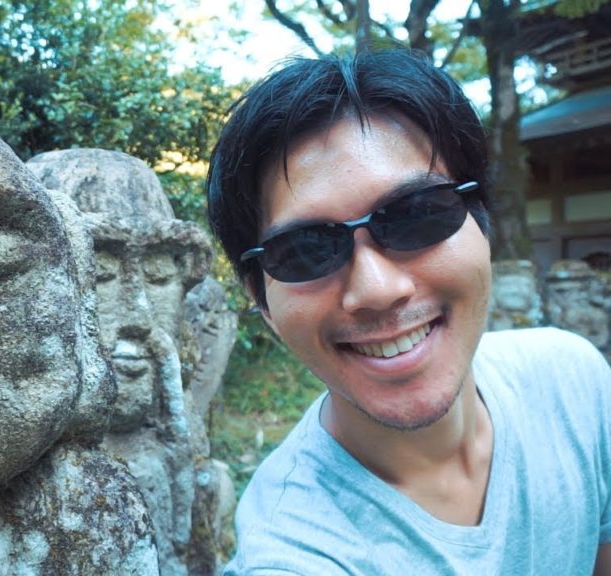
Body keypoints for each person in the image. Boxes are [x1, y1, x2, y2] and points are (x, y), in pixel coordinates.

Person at [206, 49, 611, 575]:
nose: (376, 289)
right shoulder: (294, 553)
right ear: (261, 301)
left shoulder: (573, 382)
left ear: (481, 224)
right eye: (304, 250)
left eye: (417, 214)